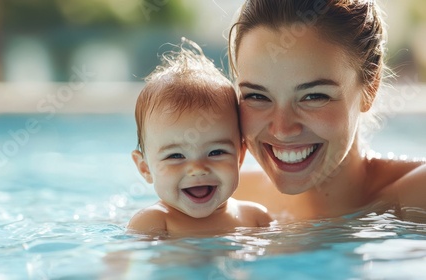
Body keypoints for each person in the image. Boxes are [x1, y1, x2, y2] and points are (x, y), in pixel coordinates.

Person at [228, 0, 426, 222]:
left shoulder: (418, 195)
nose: (282, 130)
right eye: (257, 96)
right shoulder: (222, 200)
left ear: (371, 88)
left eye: (313, 96)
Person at [127, 38, 272, 235]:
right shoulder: (153, 223)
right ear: (145, 169)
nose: (197, 169)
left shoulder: (256, 219)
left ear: (240, 157)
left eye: (216, 152)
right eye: (175, 156)